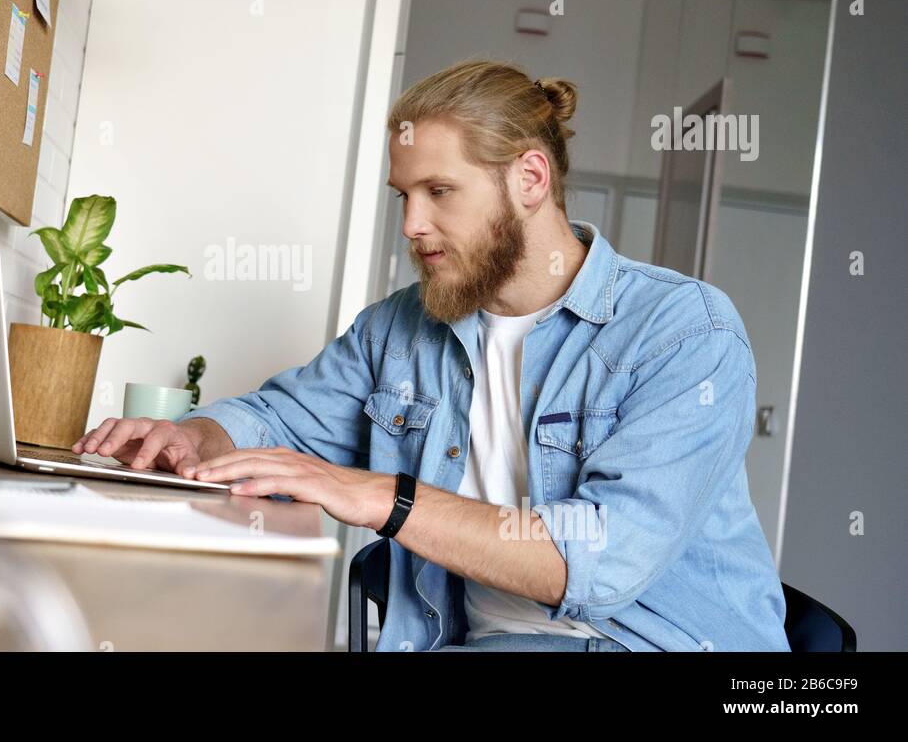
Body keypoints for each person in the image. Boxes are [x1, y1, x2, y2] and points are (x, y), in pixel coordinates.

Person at [73, 59, 788, 652]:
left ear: (530, 179)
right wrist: (193, 435)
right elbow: (279, 421)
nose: (414, 225)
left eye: (440, 191)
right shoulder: (402, 329)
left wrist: (382, 495)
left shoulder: (685, 332)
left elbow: (597, 559)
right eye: (404, 196)